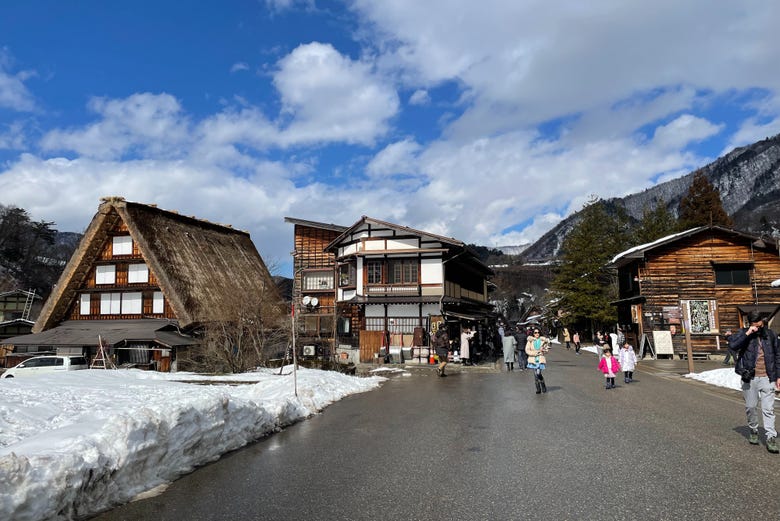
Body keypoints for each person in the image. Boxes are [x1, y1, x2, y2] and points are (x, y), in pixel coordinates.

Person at [728, 311, 780, 453]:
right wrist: (747, 333)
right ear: (750, 323)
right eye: (753, 325)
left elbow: (777, 355)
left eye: (758, 324)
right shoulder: (744, 333)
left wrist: (778, 376)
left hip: (767, 377)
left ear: (762, 322)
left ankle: (770, 437)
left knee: (768, 409)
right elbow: (733, 346)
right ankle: (754, 430)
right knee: (751, 407)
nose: (757, 327)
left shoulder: (770, 335)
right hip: (749, 377)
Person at [525, 328, 550, 393]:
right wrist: (534, 353)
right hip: (533, 359)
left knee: (538, 373)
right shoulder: (530, 341)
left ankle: (543, 385)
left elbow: (547, 350)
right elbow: (527, 350)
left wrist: (544, 350)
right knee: (535, 375)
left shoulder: (543, 340)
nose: (537, 334)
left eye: (538, 332)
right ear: (533, 333)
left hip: (540, 359)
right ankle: (538, 389)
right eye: (535, 332)